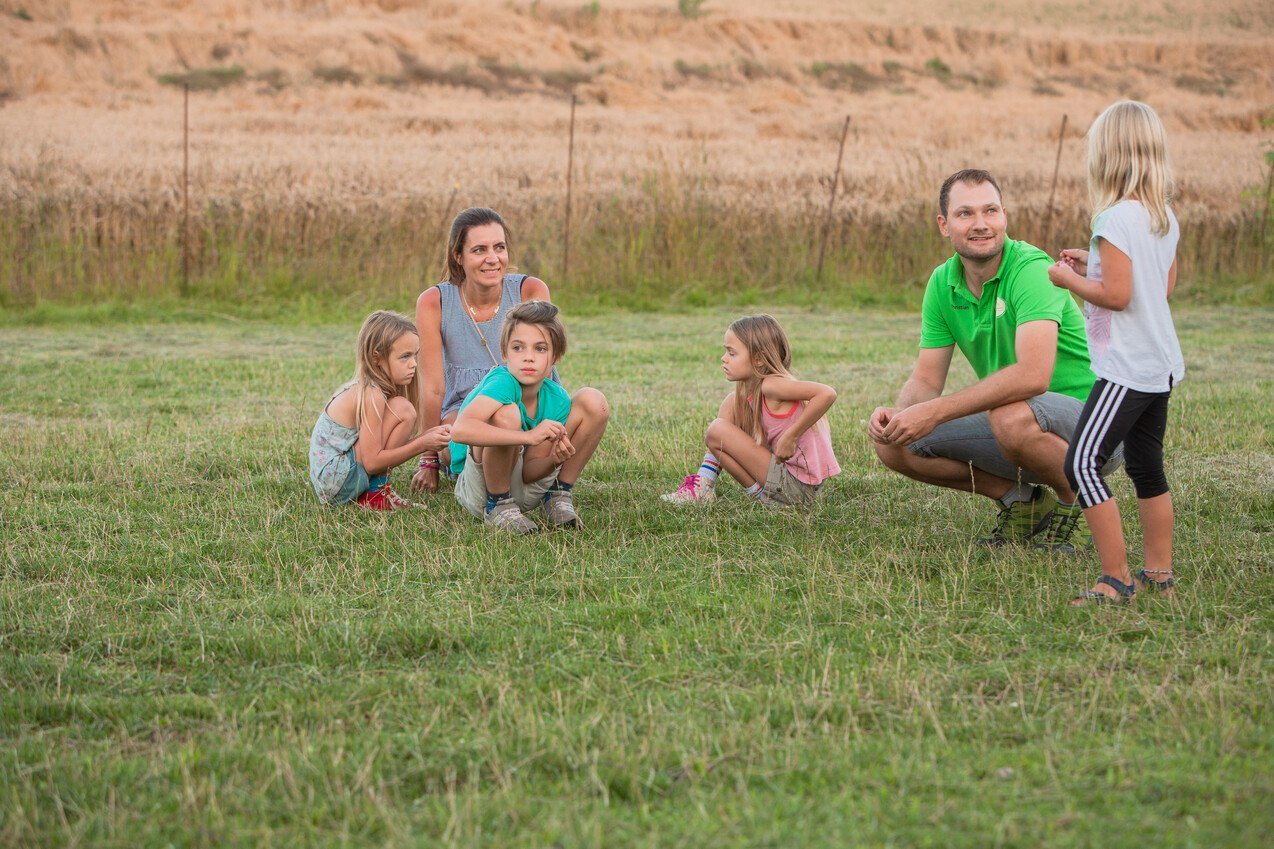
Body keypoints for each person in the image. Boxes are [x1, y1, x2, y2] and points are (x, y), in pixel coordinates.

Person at [869, 169, 1122, 550]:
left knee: (1009, 414)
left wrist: (936, 412)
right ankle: (1023, 503)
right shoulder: (942, 283)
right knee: (894, 444)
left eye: (990, 211)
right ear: (944, 224)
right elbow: (925, 379)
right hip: (1020, 421)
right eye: (965, 213)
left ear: (1004, 216)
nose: (981, 224)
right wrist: (901, 415)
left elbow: (1033, 377)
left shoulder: (1032, 270)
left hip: (1095, 425)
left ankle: (1082, 503)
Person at [1048, 101, 1183, 604]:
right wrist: (1096, 263)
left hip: (1126, 368)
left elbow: (1120, 297)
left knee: (1081, 463)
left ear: (1106, 155)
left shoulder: (1112, 217)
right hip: (1159, 366)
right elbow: (1157, 287)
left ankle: (1115, 578)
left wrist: (1071, 279)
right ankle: (1160, 575)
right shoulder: (1161, 215)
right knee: (1147, 465)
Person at [411, 207, 609, 501]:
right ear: (458, 255)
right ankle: (490, 489)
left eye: (499, 247)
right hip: (468, 406)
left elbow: (545, 360)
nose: (493, 258)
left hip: (530, 398)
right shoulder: (434, 301)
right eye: (479, 249)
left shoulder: (531, 289)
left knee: (589, 405)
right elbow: (433, 388)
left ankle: (558, 492)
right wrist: (428, 459)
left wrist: (553, 425)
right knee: (471, 430)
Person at [449, 300, 602, 533]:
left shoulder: (555, 398)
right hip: (479, 489)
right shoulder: (502, 382)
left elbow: (530, 472)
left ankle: (557, 496)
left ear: (556, 356)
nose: (528, 357)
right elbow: (460, 430)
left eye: (540, 349)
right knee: (508, 414)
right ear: (504, 353)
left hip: (521, 488)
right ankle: (498, 505)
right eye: (518, 348)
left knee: (593, 400)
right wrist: (529, 437)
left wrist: (554, 459)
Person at [662, 314, 840, 507]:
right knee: (731, 403)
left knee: (716, 431)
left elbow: (827, 393)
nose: (723, 359)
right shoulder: (752, 393)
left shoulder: (773, 385)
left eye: (732, 353)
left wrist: (791, 436)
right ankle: (704, 484)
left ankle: (763, 498)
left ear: (758, 359)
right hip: (793, 484)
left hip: (796, 487)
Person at [308, 310, 452, 510]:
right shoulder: (372, 394)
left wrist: (426, 436)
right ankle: (375, 494)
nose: (414, 364)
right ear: (377, 358)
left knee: (402, 409)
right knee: (403, 410)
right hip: (336, 481)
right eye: (405, 357)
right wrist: (423, 443)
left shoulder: (374, 390)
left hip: (334, 479)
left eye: (415, 355)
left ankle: (373, 493)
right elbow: (372, 462)